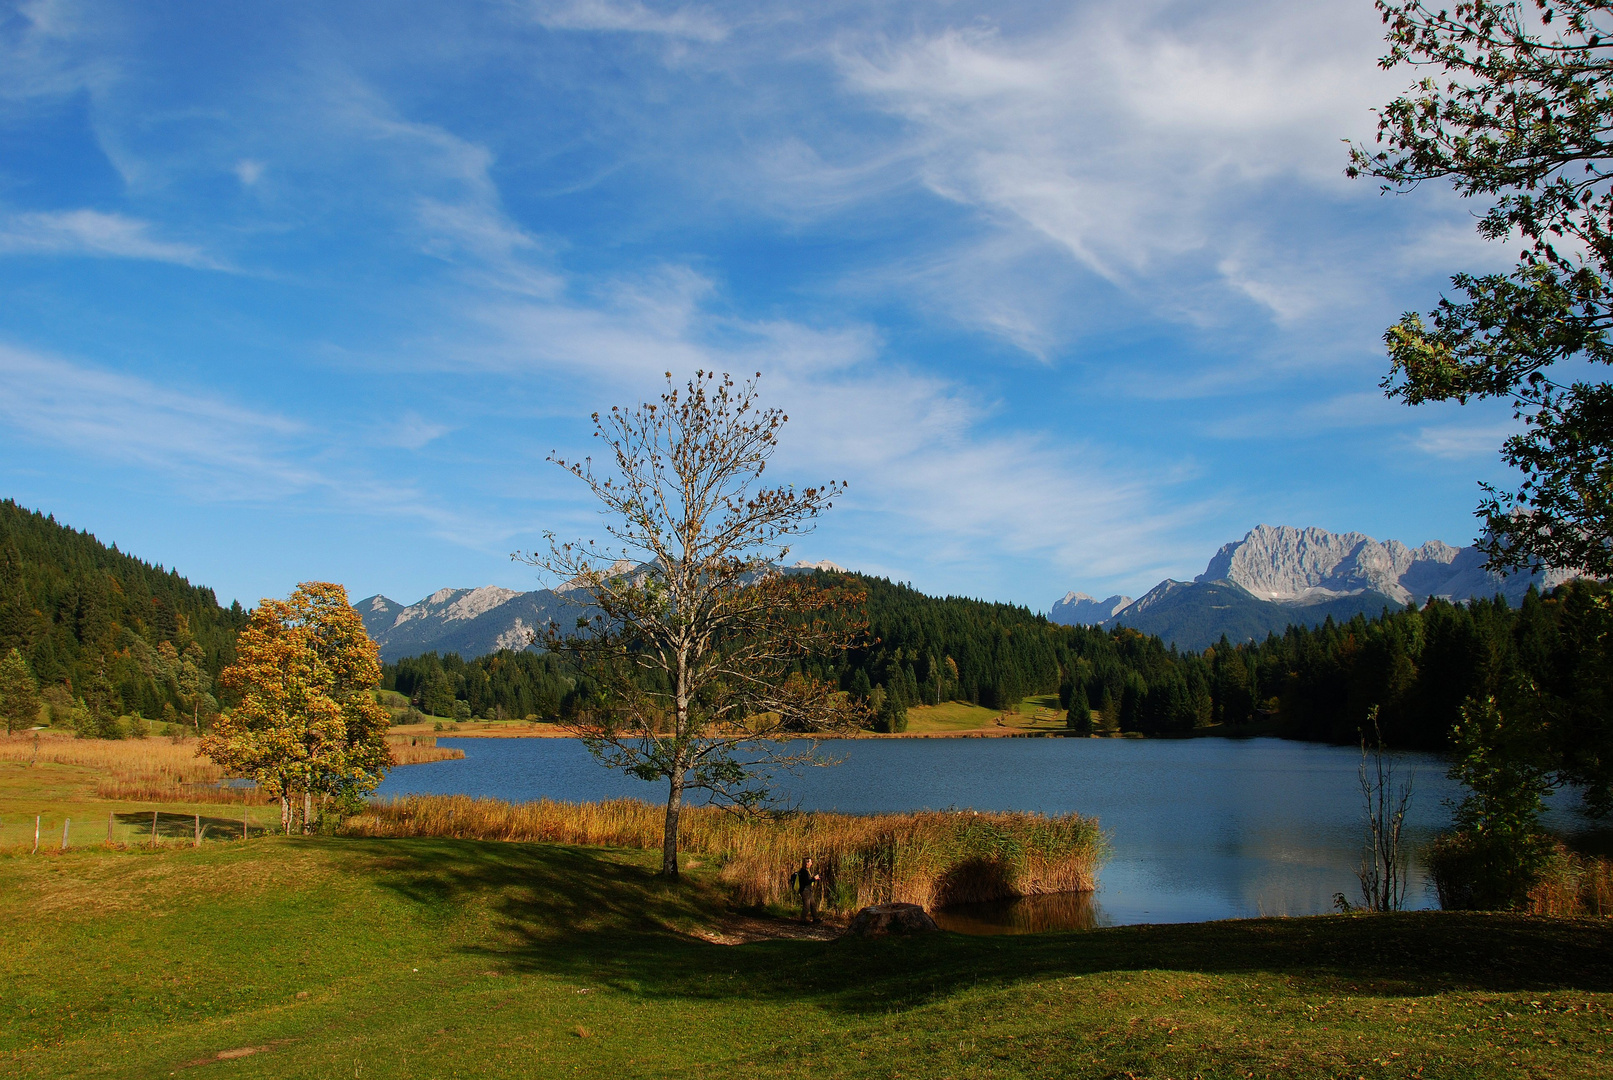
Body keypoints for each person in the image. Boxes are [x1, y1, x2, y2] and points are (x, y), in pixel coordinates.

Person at [791, 856, 822, 923]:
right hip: (805, 891)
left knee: (813, 904)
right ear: (806, 863)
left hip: (808, 890)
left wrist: (814, 879)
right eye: (810, 862)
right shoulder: (803, 872)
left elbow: (808, 881)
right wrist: (814, 879)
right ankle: (802, 920)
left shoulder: (805, 871)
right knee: (806, 906)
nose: (811, 863)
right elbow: (806, 882)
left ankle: (815, 918)